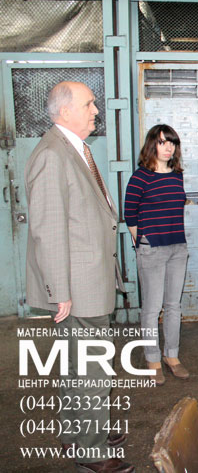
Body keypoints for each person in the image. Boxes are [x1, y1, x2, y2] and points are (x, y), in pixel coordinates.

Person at [25, 81, 133, 473]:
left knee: (77, 365)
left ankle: (78, 433)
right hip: (77, 288)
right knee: (92, 371)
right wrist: (61, 291)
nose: (96, 111)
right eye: (89, 104)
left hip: (84, 282)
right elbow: (48, 230)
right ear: (66, 110)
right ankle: (92, 451)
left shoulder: (72, 149)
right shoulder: (53, 155)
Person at [124, 124, 189, 386]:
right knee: (152, 309)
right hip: (152, 248)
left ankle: (171, 355)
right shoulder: (140, 177)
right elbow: (130, 214)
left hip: (177, 247)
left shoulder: (177, 176)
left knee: (173, 305)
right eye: (162, 142)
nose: (168, 147)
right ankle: (152, 359)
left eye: (172, 143)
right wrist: (144, 242)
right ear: (153, 145)